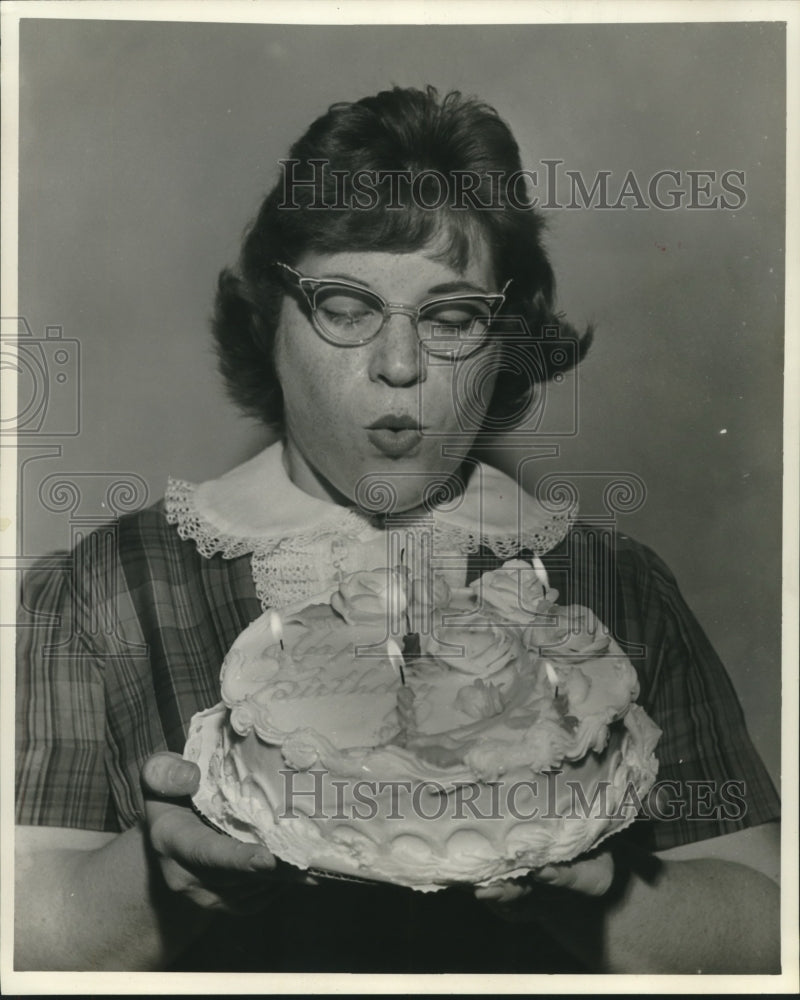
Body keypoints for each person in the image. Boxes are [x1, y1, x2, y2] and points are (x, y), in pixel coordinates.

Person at [15, 86, 780, 974]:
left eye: (451, 316)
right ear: (270, 319)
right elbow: (23, 930)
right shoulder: (104, 587)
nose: (400, 364)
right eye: (346, 306)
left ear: (506, 340)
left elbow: (764, 927)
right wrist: (153, 879)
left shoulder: (615, 585)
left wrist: (606, 899)